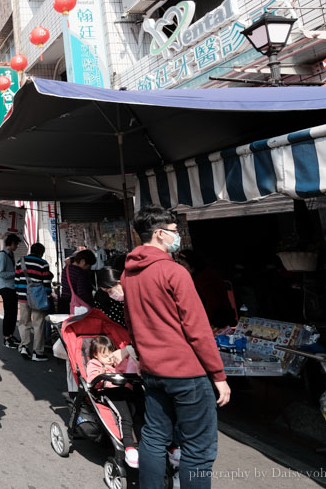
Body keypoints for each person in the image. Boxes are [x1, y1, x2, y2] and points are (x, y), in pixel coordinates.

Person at [123, 206, 230, 489]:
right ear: (159, 234)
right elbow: (198, 329)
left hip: (153, 371)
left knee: (154, 437)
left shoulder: (128, 274)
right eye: (174, 232)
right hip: (188, 374)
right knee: (198, 449)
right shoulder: (174, 272)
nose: (177, 237)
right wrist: (219, 376)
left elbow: (132, 325)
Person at [86, 335, 141, 468]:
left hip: (126, 391)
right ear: (95, 355)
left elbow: (129, 370)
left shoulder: (118, 362)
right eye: (105, 355)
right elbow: (92, 380)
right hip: (110, 392)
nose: (109, 357)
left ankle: (142, 443)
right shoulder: (94, 364)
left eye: (111, 353)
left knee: (140, 413)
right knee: (125, 417)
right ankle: (129, 448)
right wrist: (102, 373)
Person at [177, 250, 237, 329]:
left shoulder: (202, 278)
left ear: (192, 265)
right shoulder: (202, 274)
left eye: (184, 264)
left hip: (218, 320)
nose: (181, 267)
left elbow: (212, 304)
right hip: (218, 316)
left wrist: (201, 322)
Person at [19, 242, 53, 360]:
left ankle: (24, 346)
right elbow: (46, 283)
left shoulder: (21, 261)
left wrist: (20, 295)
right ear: (41, 253)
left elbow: (17, 280)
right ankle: (37, 352)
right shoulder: (43, 263)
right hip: (38, 298)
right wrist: (48, 296)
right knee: (38, 324)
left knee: (24, 322)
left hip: (23, 297)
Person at [0, 234, 21, 348]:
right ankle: (6, 337)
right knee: (9, 313)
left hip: (12, 287)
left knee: (13, 313)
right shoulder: (2, 255)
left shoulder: (11, 254)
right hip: (6, 288)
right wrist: (15, 273)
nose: (17, 247)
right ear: (12, 243)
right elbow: (0, 273)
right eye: (16, 244)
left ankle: (10, 335)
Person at [59, 248, 96, 314]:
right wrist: (93, 305)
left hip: (64, 303)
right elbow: (82, 293)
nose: (89, 268)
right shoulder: (81, 273)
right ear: (83, 262)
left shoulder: (66, 269)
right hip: (76, 306)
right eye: (89, 265)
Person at [94, 261, 127, 328]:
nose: (110, 295)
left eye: (110, 291)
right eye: (106, 291)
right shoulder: (100, 297)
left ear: (119, 283)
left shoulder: (132, 294)